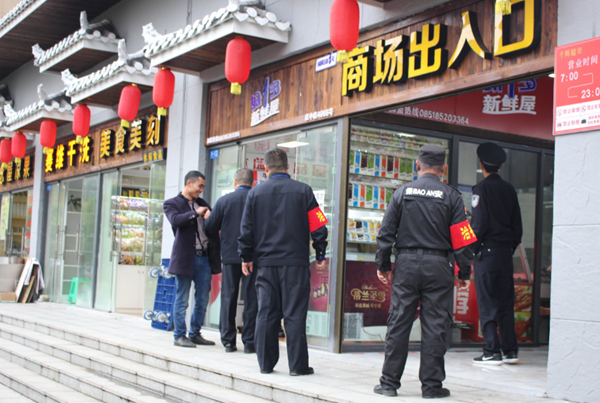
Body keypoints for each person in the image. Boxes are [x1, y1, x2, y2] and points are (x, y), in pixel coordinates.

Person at [373, 145, 475, 399]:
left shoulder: (402, 193)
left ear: (417, 166)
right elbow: (462, 239)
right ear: (444, 168)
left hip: (406, 265)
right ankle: (431, 387)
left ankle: (389, 384)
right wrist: (464, 272)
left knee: (399, 322)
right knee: (436, 326)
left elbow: (386, 232)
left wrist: (383, 265)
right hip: (439, 266)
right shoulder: (452, 196)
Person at [238, 148, 328, 376]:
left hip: (265, 264)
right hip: (295, 263)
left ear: (265, 168)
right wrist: (320, 253)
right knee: (294, 314)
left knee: (266, 313)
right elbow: (319, 225)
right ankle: (298, 366)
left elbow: (246, 229)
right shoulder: (304, 191)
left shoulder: (254, 194)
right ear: (289, 166)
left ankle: (265, 364)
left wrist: (246, 257)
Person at [470, 142, 523, 365]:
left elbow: (478, 225)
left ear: (481, 164)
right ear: (500, 166)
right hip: (505, 254)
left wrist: (472, 250)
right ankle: (510, 350)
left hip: (487, 253)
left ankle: (492, 351)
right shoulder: (509, 189)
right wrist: (508, 248)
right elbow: (517, 227)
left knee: (488, 302)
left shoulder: (480, 189)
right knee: (505, 302)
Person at [163, 170, 221, 348]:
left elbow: (214, 224)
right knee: (182, 298)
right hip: (185, 257)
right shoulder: (171, 203)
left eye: (203, 187)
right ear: (189, 183)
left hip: (204, 257)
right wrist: (196, 213)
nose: (201, 190)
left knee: (202, 299)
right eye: (199, 186)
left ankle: (195, 333)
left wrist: (211, 218)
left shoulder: (202, 203)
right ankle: (179, 335)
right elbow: (175, 220)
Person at [205, 168, 257, 354]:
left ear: (235, 182)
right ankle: (250, 342)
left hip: (230, 256)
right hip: (253, 257)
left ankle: (228, 341)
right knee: (252, 298)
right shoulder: (257, 199)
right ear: (253, 183)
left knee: (229, 297)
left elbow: (210, 227)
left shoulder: (224, 201)